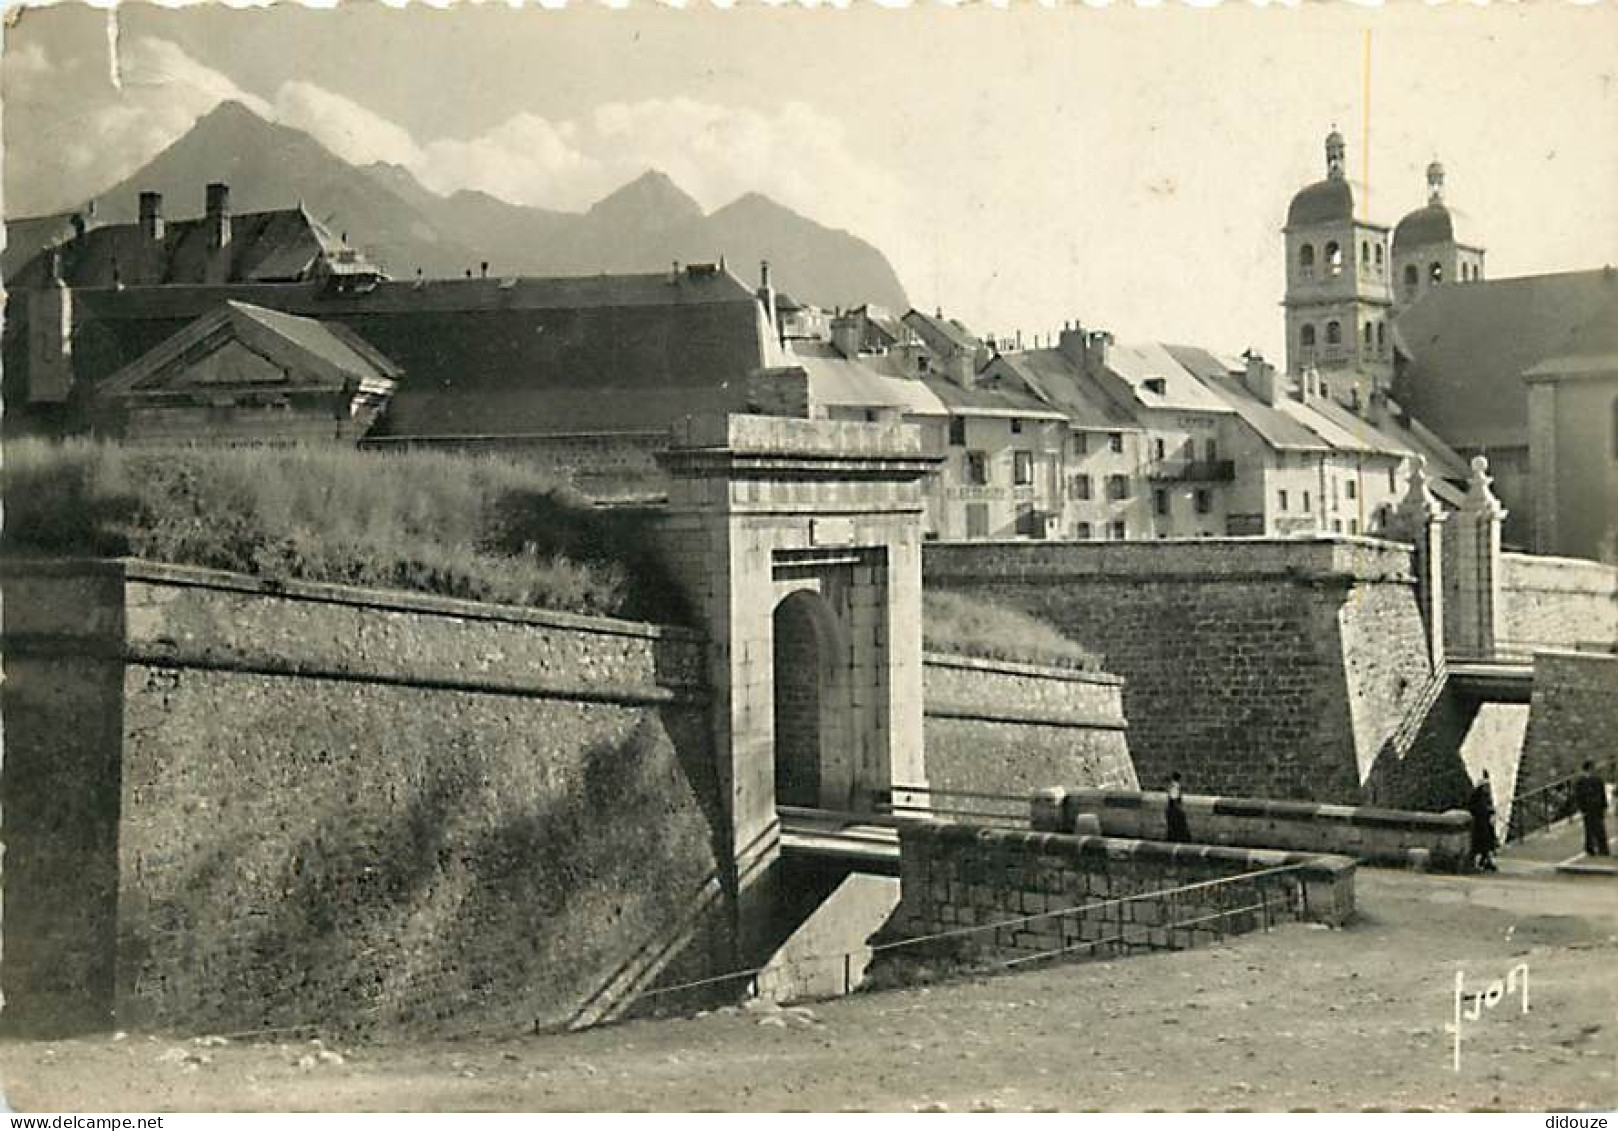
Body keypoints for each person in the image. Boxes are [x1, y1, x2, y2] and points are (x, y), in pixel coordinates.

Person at [1573, 760, 1610, 857]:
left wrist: (1604, 805)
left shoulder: (1585, 781)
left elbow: (1602, 794)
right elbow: (1579, 796)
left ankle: (1598, 848)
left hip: (1594, 807)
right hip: (1591, 807)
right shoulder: (1584, 781)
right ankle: (1596, 848)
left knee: (1595, 828)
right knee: (1592, 828)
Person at [1468, 770, 1499, 872]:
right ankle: (1484, 862)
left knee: (1486, 844)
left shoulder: (1482, 797)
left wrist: (1490, 812)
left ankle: (1485, 861)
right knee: (1483, 844)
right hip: (1480, 824)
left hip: (1484, 823)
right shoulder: (1478, 797)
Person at [1165, 772, 1192, 843]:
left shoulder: (1173, 786)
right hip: (1174, 809)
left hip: (1173, 809)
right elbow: (1173, 798)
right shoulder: (1175, 786)